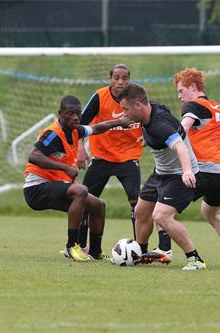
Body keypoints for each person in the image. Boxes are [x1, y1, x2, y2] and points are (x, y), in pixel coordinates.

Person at [161, 67, 220, 268]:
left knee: (160, 210)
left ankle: (183, 256)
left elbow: (182, 129)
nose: (179, 97)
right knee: (211, 213)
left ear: (193, 87)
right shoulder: (217, 107)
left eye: (181, 90)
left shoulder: (193, 105)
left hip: (205, 170)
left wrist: (163, 139)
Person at [23, 95, 132, 262]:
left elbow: (97, 128)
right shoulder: (53, 133)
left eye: (78, 114)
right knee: (81, 191)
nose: (75, 117)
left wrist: (119, 122)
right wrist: (65, 167)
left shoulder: (75, 130)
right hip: (36, 188)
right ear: (60, 114)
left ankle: (95, 252)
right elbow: (34, 156)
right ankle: (72, 246)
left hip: (54, 185)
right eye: (70, 113)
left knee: (98, 205)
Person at [117, 83, 206, 271]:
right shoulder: (152, 110)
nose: (124, 114)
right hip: (161, 173)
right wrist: (146, 138)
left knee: (161, 216)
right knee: (141, 211)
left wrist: (188, 171)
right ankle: (139, 253)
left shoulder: (160, 125)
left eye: (125, 109)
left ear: (138, 105)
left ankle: (195, 259)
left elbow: (180, 146)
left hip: (180, 175)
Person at [76, 64, 148, 251]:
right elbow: (80, 125)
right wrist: (80, 149)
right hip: (101, 157)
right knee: (84, 199)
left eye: (124, 78)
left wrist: (149, 137)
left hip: (128, 157)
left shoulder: (137, 97)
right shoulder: (99, 97)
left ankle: (139, 247)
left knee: (137, 203)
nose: (120, 82)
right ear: (110, 79)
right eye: (116, 77)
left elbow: (149, 118)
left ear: (129, 80)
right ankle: (80, 246)